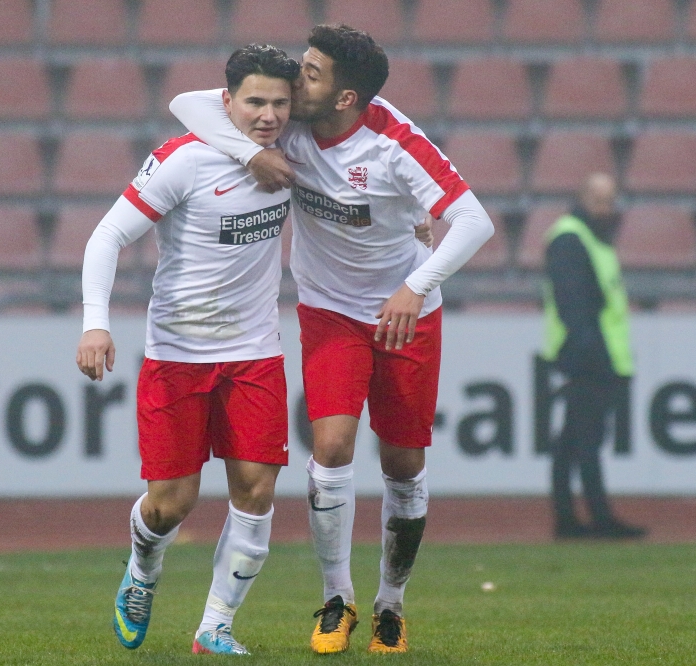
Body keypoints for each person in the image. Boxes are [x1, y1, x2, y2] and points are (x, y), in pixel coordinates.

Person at [170, 24, 494, 654]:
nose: (296, 79)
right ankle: (336, 600)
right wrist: (249, 154)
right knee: (331, 446)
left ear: (346, 98)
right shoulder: (287, 122)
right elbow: (187, 103)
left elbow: (473, 220)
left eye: (312, 73)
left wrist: (416, 286)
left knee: (403, 463)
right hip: (329, 311)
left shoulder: (396, 143)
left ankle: (390, 604)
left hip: (406, 316)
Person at [76, 44, 301, 655]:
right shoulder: (183, 160)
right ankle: (142, 569)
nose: (269, 115)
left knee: (256, 490)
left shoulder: (295, 149)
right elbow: (107, 236)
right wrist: (96, 324)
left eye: (281, 103)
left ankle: (216, 626)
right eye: (255, 102)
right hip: (177, 355)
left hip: (256, 352)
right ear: (226, 101)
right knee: (171, 504)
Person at [542, 172, 646, 540]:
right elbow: (575, 305)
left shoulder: (587, 237)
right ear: (583, 198)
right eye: (600, 200)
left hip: (594, 352)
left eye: (610, 200)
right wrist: (592, 353)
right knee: (586, 441)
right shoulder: (572, 237)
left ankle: (569, 520)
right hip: (588, 355)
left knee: (573, 441)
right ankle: (597, 518)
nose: (606, 208)